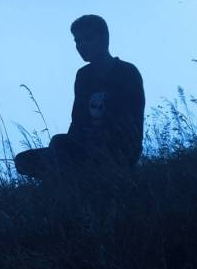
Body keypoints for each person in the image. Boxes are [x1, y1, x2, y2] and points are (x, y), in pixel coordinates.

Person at [15, 15, 145, 181]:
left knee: (59, 144)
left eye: (87, 39)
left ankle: (73, 185)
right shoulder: (84, 76)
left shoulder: (126, 72)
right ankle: (69, 179)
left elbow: (126, 124)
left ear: (104, 39)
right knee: (23, 160)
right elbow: (78, 121)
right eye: (77, 41)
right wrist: (64, 148)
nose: (81, 46)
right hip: (86, 146)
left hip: (120, 148)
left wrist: (66, 145)